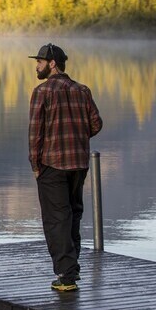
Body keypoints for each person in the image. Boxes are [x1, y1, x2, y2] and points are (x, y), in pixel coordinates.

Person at [28, 43, 102, 292]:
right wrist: (78, 137)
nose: (36, 65)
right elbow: (96, 124)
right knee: (73, 215)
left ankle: (67, 276)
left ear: (52, 64)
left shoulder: (42, 91)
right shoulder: (83, 90)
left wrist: (35, 165)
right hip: (78, 165)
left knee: (56, 220)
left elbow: (35, 133)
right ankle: (72, 266)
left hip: (52, 164)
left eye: (39, 61)